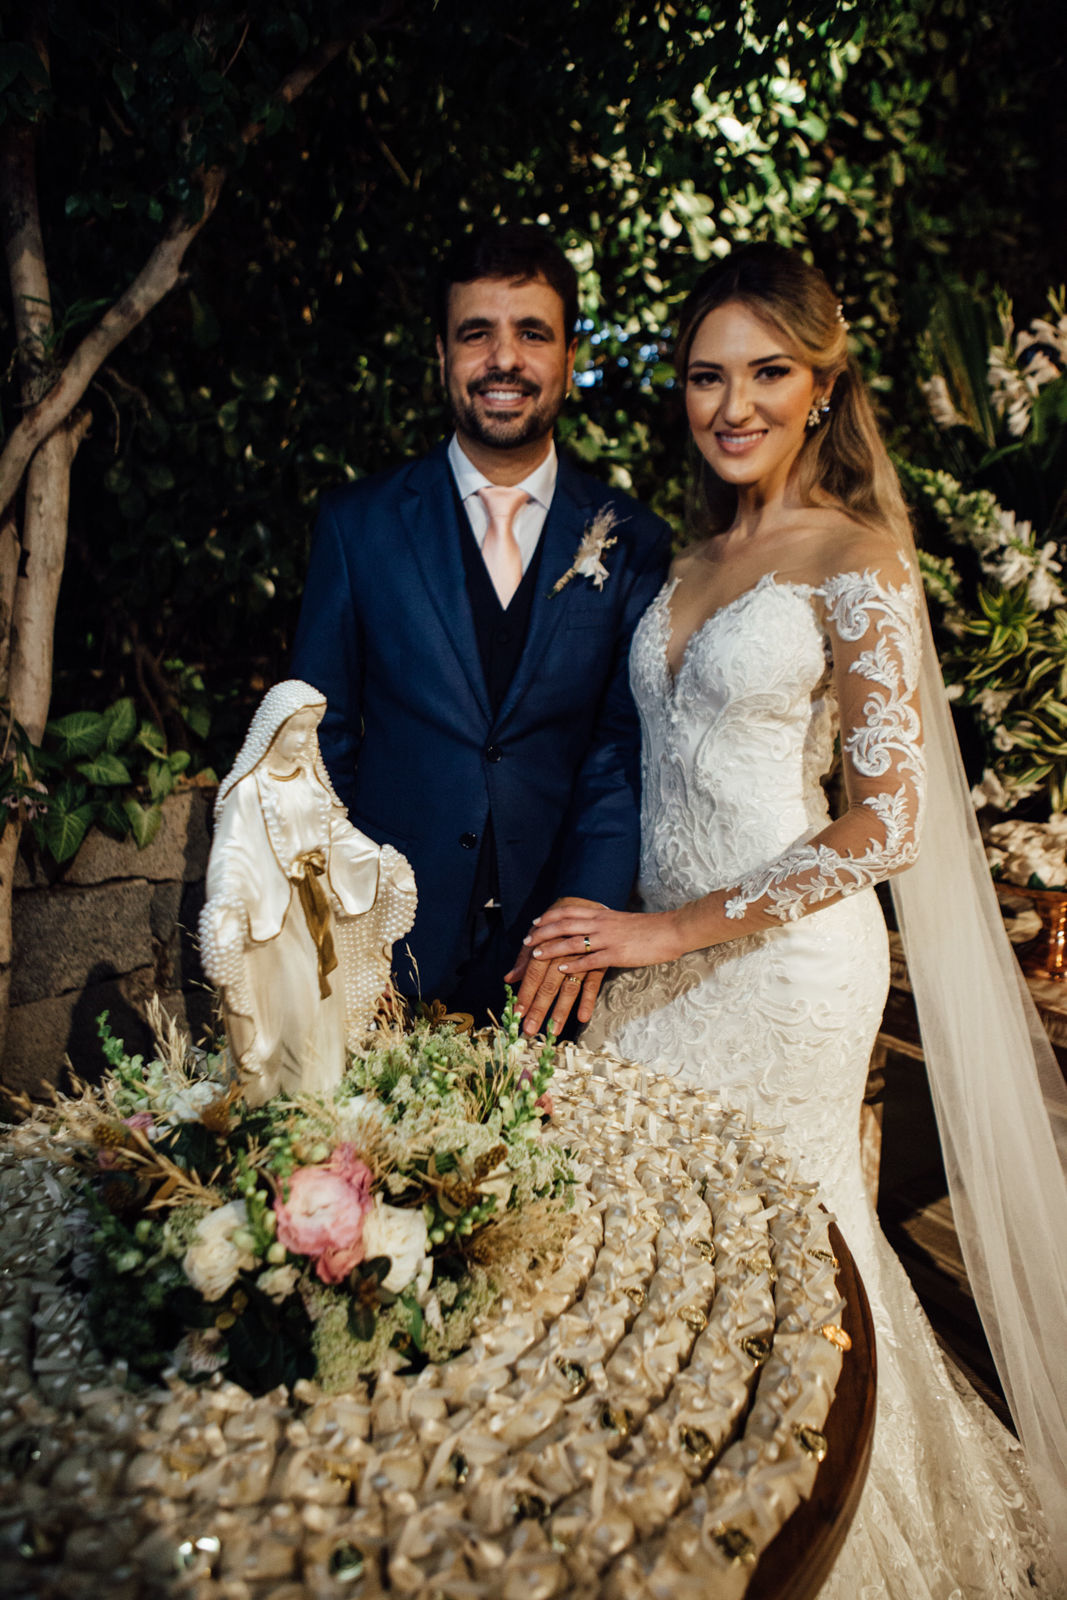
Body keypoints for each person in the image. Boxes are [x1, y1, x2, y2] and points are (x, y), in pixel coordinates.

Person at [521, 244, 1067, 1594]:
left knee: (784, 1270)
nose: (731, 403)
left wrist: (665, 930)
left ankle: (822, 1549)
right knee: (649, 1266)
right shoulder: (689, 552)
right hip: (660, 960)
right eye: (707, 375)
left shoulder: (856, 555)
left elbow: (887, 819)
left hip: (778, 972)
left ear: (820, 385)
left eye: (765, 371)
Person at [291, 223, 671, 1030]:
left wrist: (586, 908)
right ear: (441, 354)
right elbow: (320, 743)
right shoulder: (357, 526)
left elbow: (622, 752)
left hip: (557, 959)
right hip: (384, 951)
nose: (504, 360)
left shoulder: (633, 539)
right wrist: (343, 931)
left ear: (569, 357)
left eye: (532, 333)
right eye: (477, 334)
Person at [200, 680, 417, 1105]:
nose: (302, 739)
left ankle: (325, 1093)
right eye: (294, 729)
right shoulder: (250, 790)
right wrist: (226, 901)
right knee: (293, 1004)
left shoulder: (309, 782)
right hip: (275, 920)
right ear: (271, 730)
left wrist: (378, 861)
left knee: (325, 1002)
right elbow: (231, 853)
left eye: (309, 729)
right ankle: (288, 1097)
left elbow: (334, 834)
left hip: (316, 910)